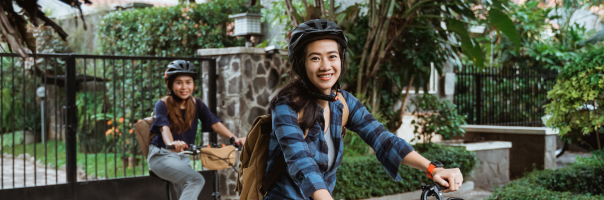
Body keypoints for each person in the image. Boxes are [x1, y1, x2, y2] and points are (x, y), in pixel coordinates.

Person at [264, 19, 464, 200]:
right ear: (302, 64)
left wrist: (433, 169)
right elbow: (301, 162)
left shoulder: (343, 102)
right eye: (315, 58)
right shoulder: (285, 105)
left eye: (332, 56)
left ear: (340, 60)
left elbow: (383, 140)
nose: (326, 66)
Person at [147, 60, 246, 200]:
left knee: (186, 194)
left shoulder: (196, 104)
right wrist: (172, 143)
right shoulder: (162, 104)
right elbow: (164, 128)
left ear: (193, 84)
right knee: (196, 180)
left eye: (188, 82)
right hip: (162, 156)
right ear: (169, 84)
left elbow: (213, 122)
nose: (184, 87)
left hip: (183, 156)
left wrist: (234, 138)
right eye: (179, 82)